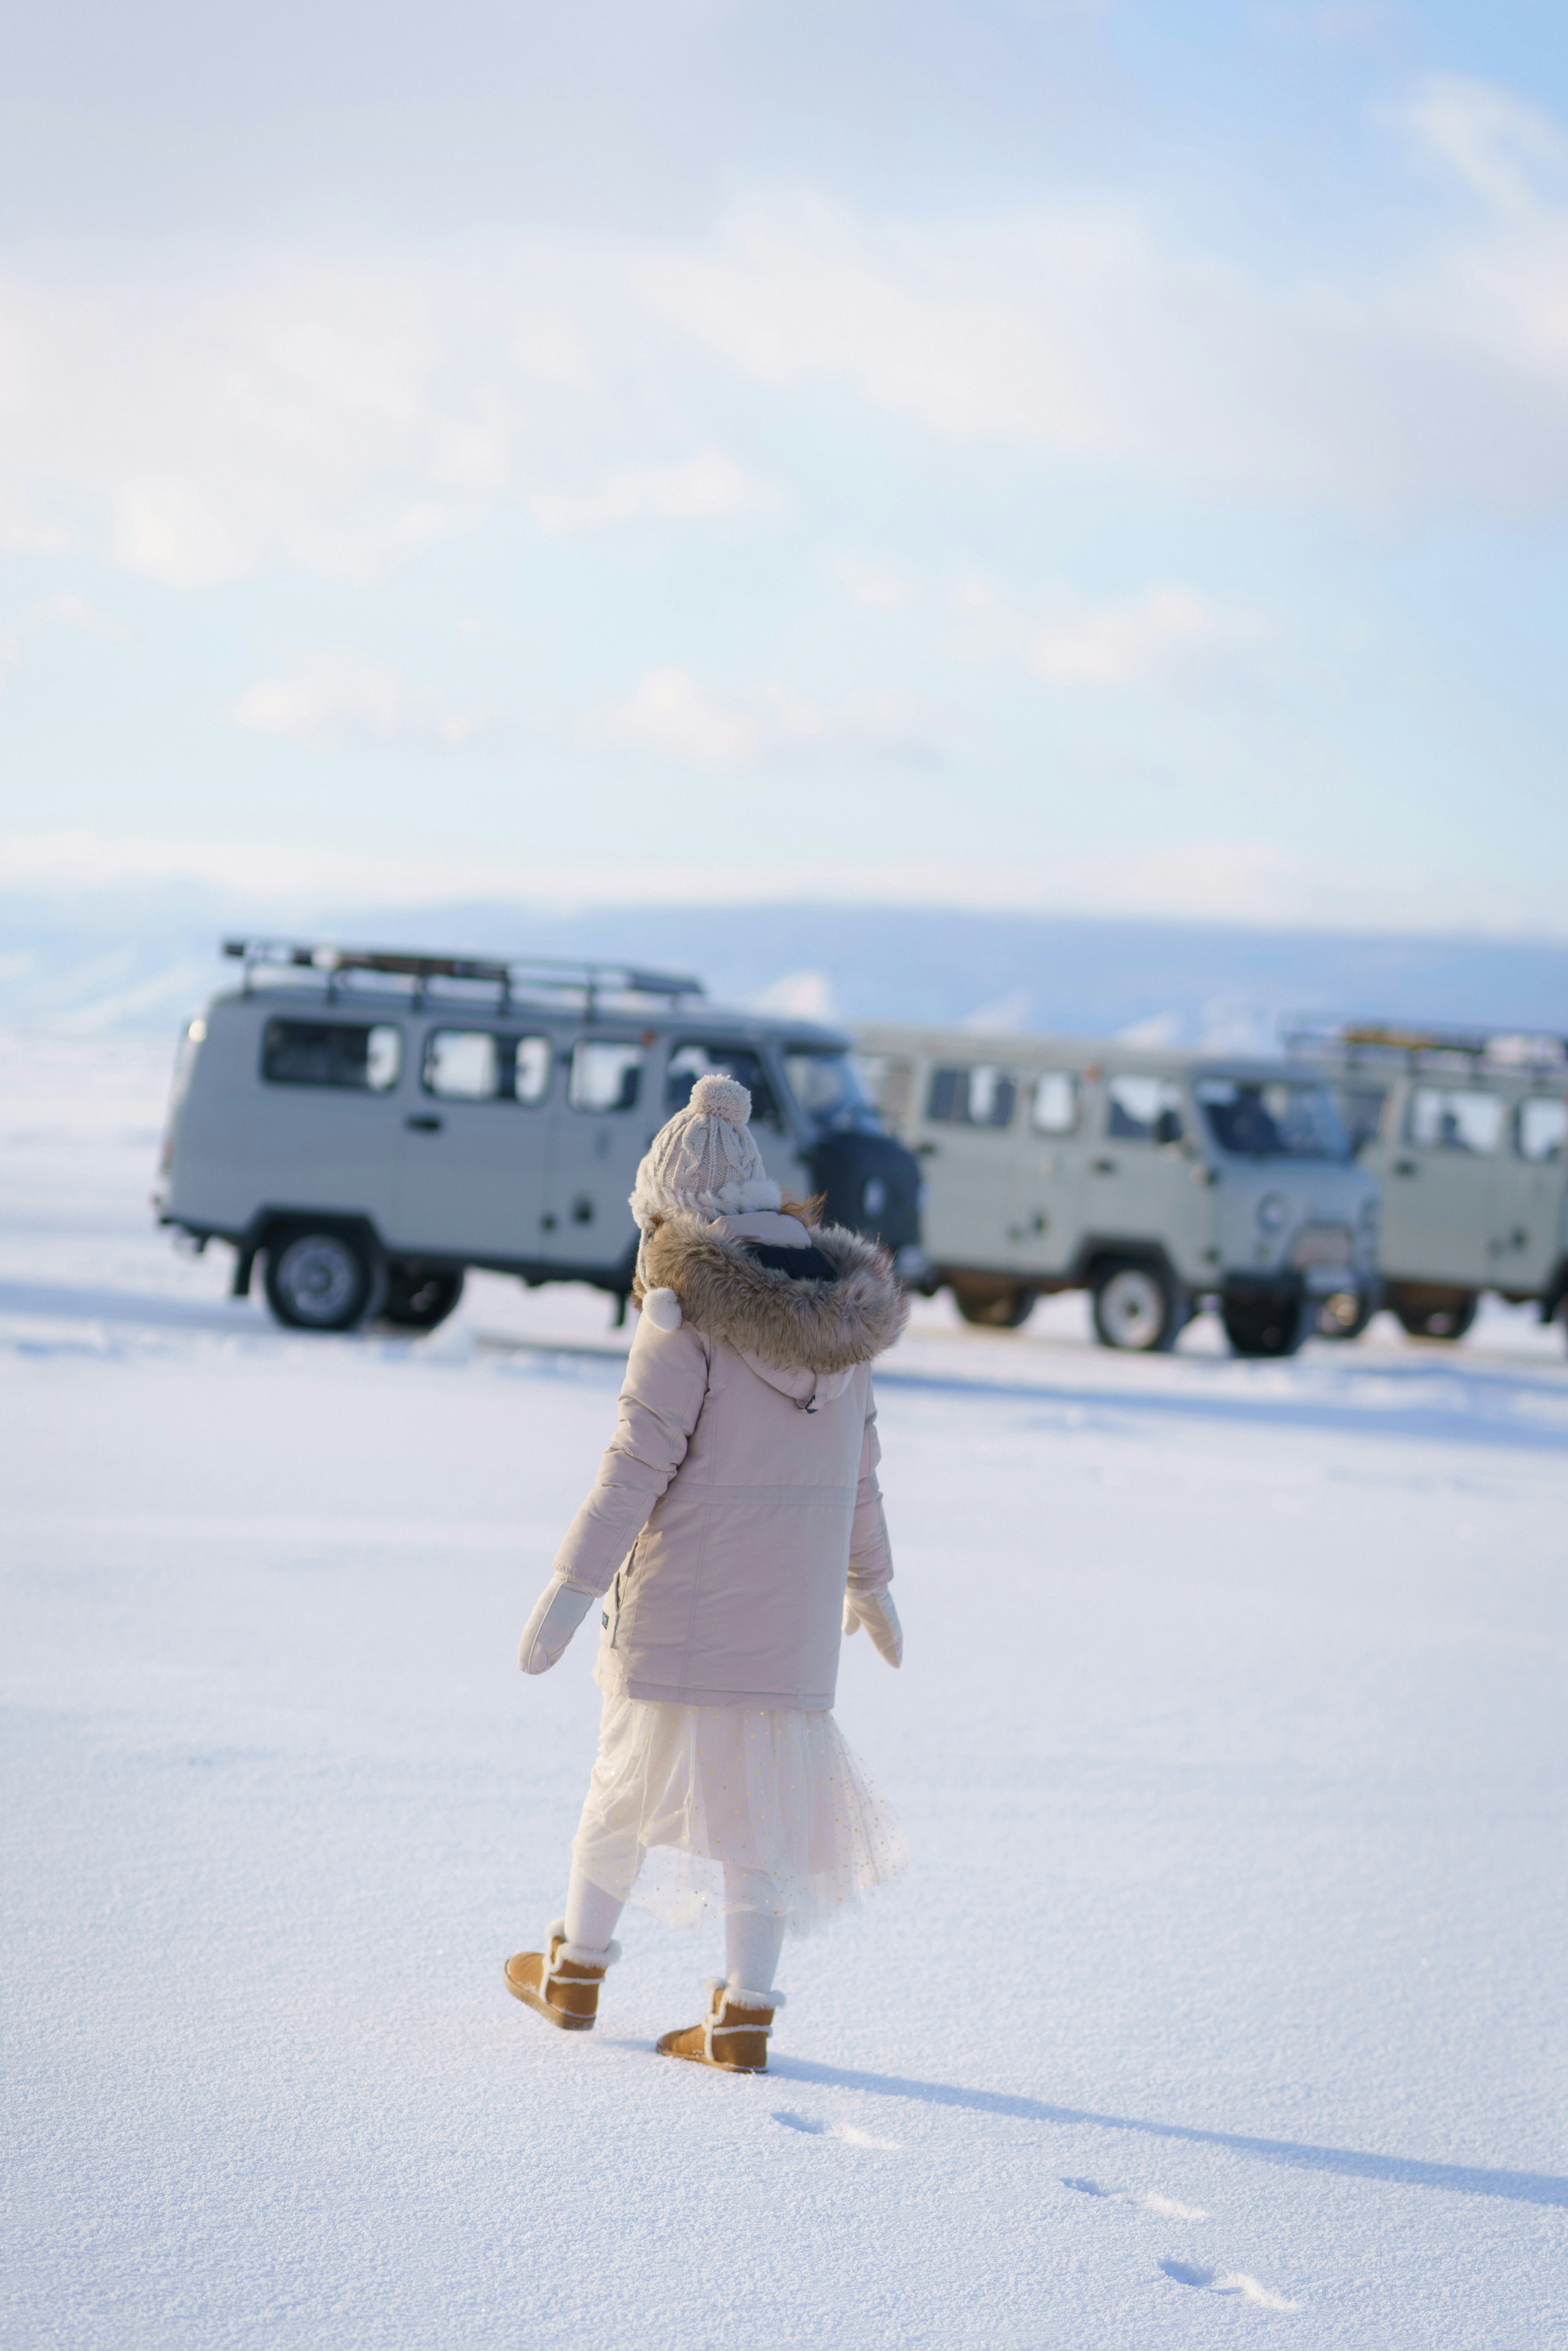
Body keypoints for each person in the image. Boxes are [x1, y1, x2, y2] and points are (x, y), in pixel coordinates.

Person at [505, 1072, 908, 2074]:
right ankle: (742, 2020)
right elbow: (860, 1468)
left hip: (679, 1616)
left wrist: (570, 1588)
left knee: (621, 1791)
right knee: (758, 1826)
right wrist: (870, 1582)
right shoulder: (840, 1322)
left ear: (668, 1212)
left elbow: (632, 1469)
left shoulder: (682, 1317)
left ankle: (575, 1973)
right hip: (791, 1632)